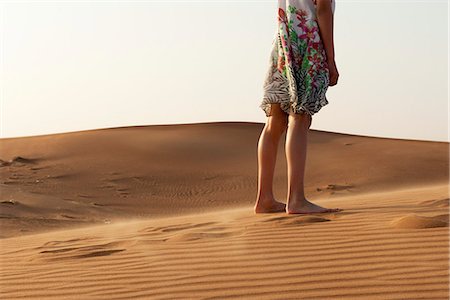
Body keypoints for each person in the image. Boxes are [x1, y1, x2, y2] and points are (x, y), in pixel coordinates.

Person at [254, 0, 342, 214]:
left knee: (274, 120)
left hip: (283, 41)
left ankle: (264, 198)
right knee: (300, 117)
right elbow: (322, 10)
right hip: (307, 40)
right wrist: (330, 59)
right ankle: (296, 199)